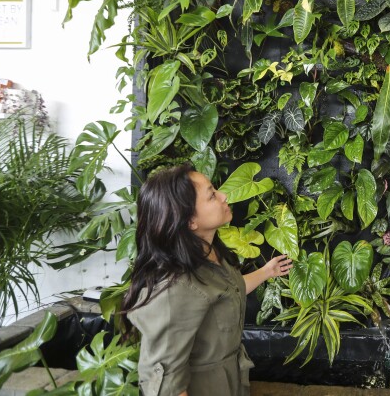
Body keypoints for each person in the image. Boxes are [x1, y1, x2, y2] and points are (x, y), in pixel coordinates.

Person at [121, 164, 292, 396]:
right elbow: (165, 384)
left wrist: (266, 272)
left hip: (231, 379)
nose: (224, 196)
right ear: (190, 220)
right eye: (212, 195)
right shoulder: (175, 287)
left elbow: (230, 290)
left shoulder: (209, 254)